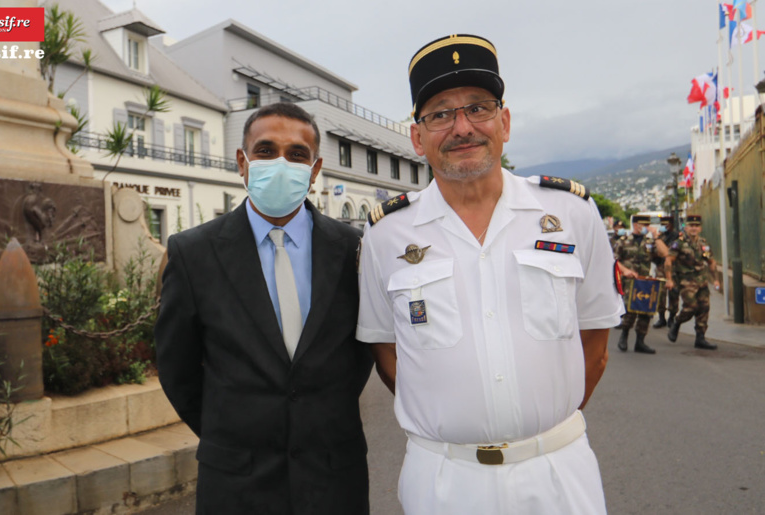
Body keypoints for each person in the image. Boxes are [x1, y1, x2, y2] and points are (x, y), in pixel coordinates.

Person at [356, 34, 624, 514]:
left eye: (478, 108)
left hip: (557, 472)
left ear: (505, 122)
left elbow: (595, 345)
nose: (462, 128)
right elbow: (388, 352)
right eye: (440, 114)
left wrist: (534, 430)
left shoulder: (572, 213)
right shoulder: (386, 234)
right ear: (417, 138)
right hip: (444, 480)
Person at [155, 102, 373, 514]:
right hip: (235, 482)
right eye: (266, 150)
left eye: (297, 154)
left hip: (333, 478)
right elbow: (176, 368)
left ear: (315, 169)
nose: (280, 163)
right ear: (243, 162)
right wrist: (231, 433)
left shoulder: (353, 249)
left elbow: (361, 353)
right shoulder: (193, 252)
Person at [613, 214, 668, 353]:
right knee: (629, 310)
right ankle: (624, 336)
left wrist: (656, 236)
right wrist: (625, 270)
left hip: (645, 281)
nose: (646, 227)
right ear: (635, 225)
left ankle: (640, 341)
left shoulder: (650, 242)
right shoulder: (623, 241)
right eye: (643, 225)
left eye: (647, 225)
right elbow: (614, 261)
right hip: (629, 281)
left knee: (646, 311)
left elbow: (664, 253)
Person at [666, 214, 720, 350]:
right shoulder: (679, 243)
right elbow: (669, 261)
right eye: (691, 226)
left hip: (702, 280)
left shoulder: (703, 244)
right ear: (686, 227)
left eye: (696, 226)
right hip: (686, 281)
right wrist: (669, 279)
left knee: (704, 308)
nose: (694, 228)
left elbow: (711, 262)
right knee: (690, 307)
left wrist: (716, 279)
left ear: (700, 228)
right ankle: (677, 322)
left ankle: (700, 338)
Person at [652, 215, 679, 328]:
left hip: (673, 269)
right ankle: (661, 317)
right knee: (660, 294)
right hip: (660, 268)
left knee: (674, 294)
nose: (664, 226)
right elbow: (654, 251)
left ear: (672, 224)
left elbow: (668, 253)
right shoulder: (660, 237)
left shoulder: (676, 237)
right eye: (662, 224)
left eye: (666, 224)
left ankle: (672, 317)